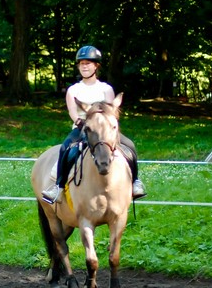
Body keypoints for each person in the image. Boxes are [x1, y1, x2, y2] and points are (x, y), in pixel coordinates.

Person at [41, 45, 146, 204]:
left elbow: (110, 111)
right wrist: (81, 122)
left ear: (96, 66)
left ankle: (135, 182)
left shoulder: (106, 89)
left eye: (88, 63)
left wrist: (106, 125)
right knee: (65, 149)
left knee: (129, 145)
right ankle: (59, 186)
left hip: (104, 129)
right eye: (81, 63)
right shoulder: (73, 90)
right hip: (83, 128)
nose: (84, 66)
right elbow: (72, 112)